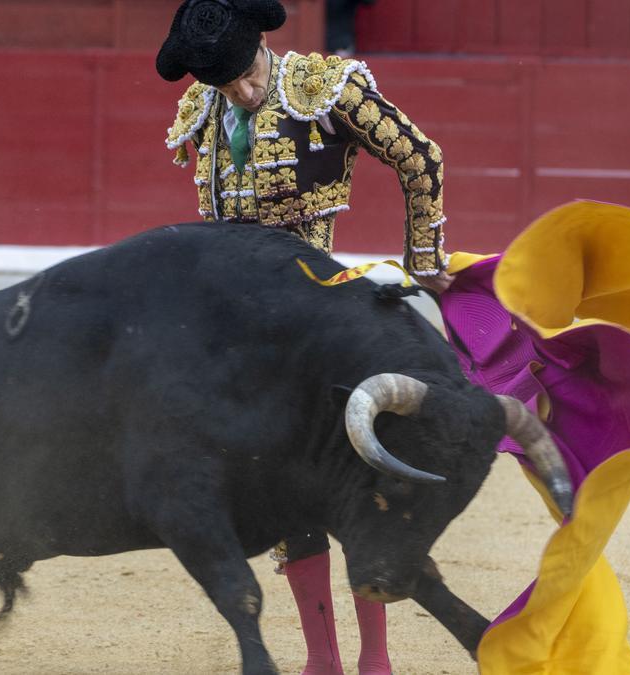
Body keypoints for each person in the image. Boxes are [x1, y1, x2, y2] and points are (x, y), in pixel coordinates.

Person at [157, 0, 453, 672]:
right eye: (223, 84)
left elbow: (420, 157)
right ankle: (323, 658)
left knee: (356, 484)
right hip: (247, 340)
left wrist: (425, 258)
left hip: (322, 323)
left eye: (244, 75)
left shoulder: (324, 90)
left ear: (263, 41)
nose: (241, 91)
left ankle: (375, 657)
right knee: (280, 491)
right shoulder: (203, 110)